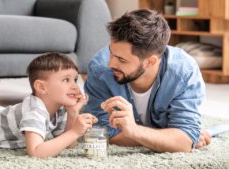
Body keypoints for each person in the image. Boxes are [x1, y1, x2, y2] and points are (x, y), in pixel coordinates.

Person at [84, 9, 211, 153]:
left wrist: (134, 131)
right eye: (111, 53)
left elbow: (183, 142)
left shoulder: (183, 73)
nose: (110, 64)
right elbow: (104, 134)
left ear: (150, 62)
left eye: (121, 59)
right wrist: (170, 137)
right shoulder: (99, 69)